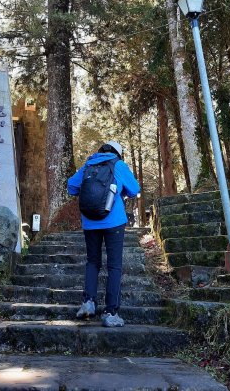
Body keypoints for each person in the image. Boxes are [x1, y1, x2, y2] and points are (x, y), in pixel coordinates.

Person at [67, 140, 140, 327]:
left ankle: (88, 302)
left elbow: (71, 187)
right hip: (114, 221)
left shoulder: (88, 165)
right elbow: (134, 189)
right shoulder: (118, 164)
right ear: (118, 153)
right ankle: (110, 312)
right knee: (114, 266)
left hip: (90, 222)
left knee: (93, 261)